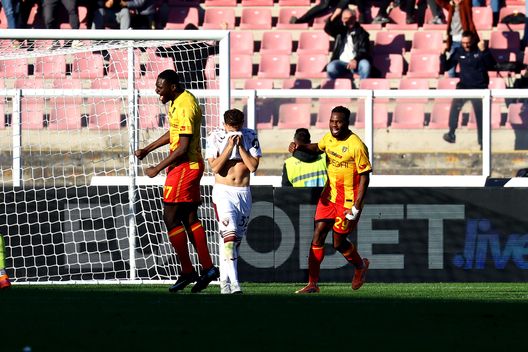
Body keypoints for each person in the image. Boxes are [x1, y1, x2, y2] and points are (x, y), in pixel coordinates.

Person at [134, 69, 219, 293]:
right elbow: (174, 133)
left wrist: (156, 168)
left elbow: (182, 148)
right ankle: (208, 268)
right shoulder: (179, 99)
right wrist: (148, 148)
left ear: (172, 86)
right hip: (187, 166)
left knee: (170, 217)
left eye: (160, 87)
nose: (157, 91)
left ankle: (188, 271)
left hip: (184, 167)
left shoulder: (184, 105)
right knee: (189, 217)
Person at [290, 106, 372, 294]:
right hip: (329, 195)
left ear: (347, 123)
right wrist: (299, 146)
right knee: (318, 234)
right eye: (332, 120)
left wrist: (357, 207)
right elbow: (317, 148)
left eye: (339, 121)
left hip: (348, 202)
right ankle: (312, 284)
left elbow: (365, 177)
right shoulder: (329, 138)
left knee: (338, 243)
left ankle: (360, 266)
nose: (334, 125)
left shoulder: (356, 145)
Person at [205, 109, 261, 294]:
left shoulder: (251, 135)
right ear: (225, 124)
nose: (234, 130)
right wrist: (229, 147)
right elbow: (214, 167)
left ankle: (225, 283)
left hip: (244, 193)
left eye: (237, 127)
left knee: (233, 242)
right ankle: (236, 284)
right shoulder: (215, 136)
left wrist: (240, 147)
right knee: (229, 237)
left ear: (242, 124)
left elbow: (253, 166)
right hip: (223, 192)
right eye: (231, 127)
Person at [441, 30, 496, 147]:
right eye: (463, 43)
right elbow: (445, 67)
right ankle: (451, 133)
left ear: (473, 41)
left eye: (468, 43)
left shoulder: (480, 51)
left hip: (479, 88)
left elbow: (492, 65)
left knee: (480, 117)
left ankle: (483, 142)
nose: (465, 45)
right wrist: (442, 54)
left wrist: (485, 51)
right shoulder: (458, 51)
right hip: (464, 87)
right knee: (454, 108)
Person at [324, 8, 372, 80]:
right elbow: (327, 28)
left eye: (351, 18)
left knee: (365, 65)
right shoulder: (339, 32)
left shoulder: (362, 33)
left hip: (357, 63)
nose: (349, 21)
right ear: (342, 20)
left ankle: (363, 87)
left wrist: (355, 60)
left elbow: (364, 50)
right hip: (341, 62)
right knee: (331, 67)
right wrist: (334, 15)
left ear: (355, 18)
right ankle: (331, 87)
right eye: (346, 18)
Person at [436, 0, 477, 77]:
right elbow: (440, 2)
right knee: (450, 71)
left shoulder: (465, 5)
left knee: (467, 70)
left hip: (464, 42)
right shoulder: (451, 6)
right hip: (453, 42)